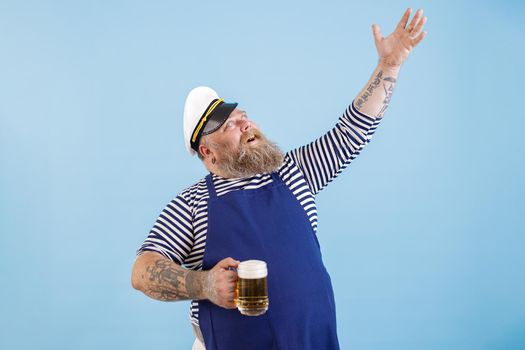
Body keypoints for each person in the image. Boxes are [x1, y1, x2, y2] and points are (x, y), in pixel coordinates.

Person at [131, 8, 427, 350]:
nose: (245, 124)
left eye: (243, 117)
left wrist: (389, 66)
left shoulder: (295, 170)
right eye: (229, 125)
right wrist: (204, 285)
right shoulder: (192, 204)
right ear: (208, 153)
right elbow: (142, 270)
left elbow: (352, 131)